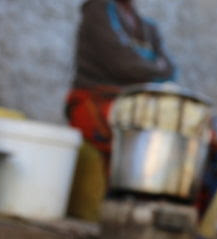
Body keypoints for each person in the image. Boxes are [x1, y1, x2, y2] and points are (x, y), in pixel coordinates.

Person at [65, 0, 175, 159]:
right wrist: (155, 65)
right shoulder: (98, 8)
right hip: (98, 102)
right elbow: (122, 64)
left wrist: (139, 63)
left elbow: (171, 71)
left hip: (138, 105)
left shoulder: (148, 28)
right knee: (146, 131)